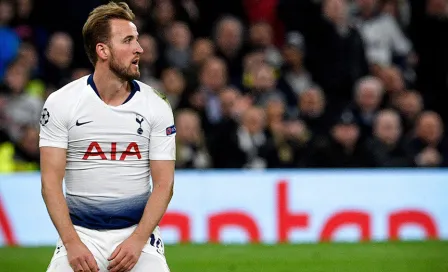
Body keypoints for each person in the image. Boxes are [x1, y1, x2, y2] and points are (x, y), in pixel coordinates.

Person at [39, 2, 175, 272]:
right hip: (80, 234)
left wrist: (137, 241)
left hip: (138, 234)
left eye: (137, 39)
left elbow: (164, 184)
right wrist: (72, 243)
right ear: (102, 50)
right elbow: (50, 183)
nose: (140, 48)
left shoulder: (156, 105)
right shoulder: (61, 103)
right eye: (128, 40)